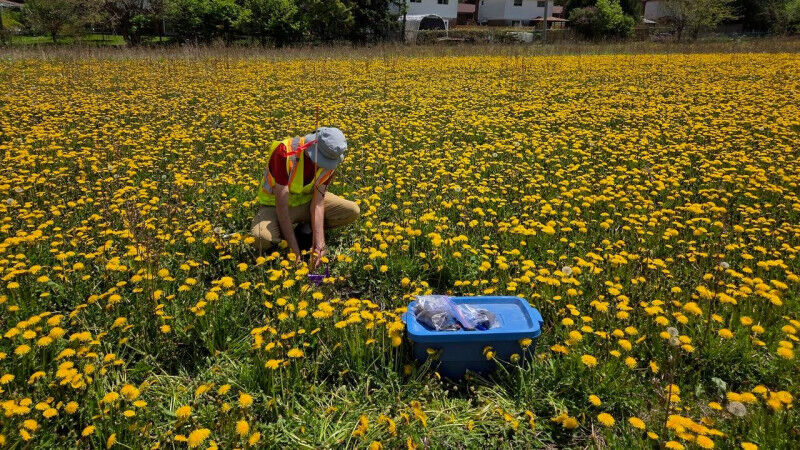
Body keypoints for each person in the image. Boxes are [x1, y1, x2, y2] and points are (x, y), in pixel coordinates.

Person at [251, 127, 359, 268]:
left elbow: (318, 204)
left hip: (308, 204)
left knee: (352, 210)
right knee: (261, 238)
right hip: (275, 206)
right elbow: (281, 209)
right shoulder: (285, 152)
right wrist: (295, 253)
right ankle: (287, 241)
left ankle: (305, 228)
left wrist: (320, 243)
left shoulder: (332, 156)